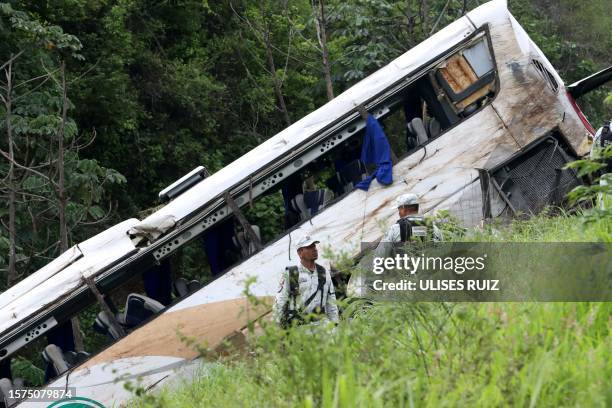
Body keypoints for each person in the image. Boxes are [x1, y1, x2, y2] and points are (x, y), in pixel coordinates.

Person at [273, 235, 339, 327]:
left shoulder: (324, 272)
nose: (314, 249)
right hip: (300, 328)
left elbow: (331, 300)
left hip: (323, 326)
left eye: (314, 246)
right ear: (300, 253)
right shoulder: (291, 273)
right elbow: (280, 302)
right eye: (309, 247)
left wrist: (335, 324)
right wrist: (279, 329)